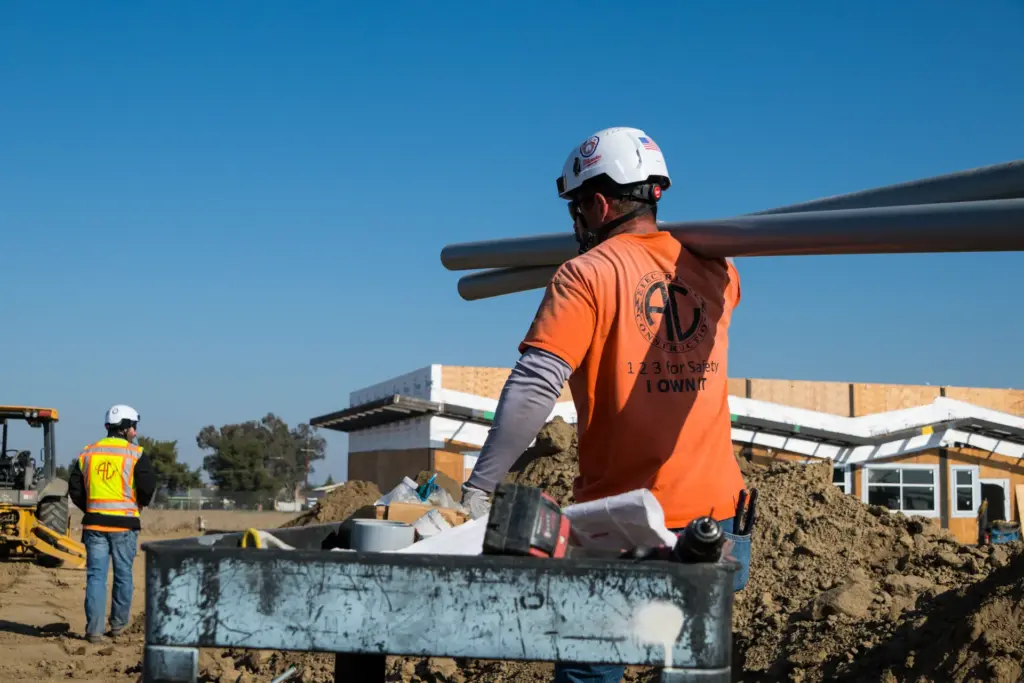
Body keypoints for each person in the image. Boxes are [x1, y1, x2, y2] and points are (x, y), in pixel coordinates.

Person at [460, 127, 752, 683]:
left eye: (576, 209)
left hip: (621, 531)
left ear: (596, 203)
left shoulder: (585, 275)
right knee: (692, 675)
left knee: (589, 674)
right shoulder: (720, 270)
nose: (575, 225)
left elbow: (534, 385)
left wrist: (481, 487)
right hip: (719, 526)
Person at [68, 404, 156, 643]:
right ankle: (117, 627)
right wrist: (139, 505)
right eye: (134, 427)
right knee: (123, 575)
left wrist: (91, 509)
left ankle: (94, 631)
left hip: (94, 525)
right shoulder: (135, 454)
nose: (135, 433)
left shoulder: (88, 453)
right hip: (125, 525)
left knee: (96, 576)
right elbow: (148, 486)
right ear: (125, 428)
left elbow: (74, 488)